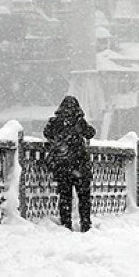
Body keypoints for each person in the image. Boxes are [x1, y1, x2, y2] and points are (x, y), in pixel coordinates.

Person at [43, 95, 96, 232]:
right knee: (84, 197)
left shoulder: (55, 122)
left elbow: (47, 133)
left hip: (63, 166)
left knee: (65, 197)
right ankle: (85, 223)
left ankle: (66, 224)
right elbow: (91, 133)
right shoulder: (79, 122)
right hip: (80, 165)